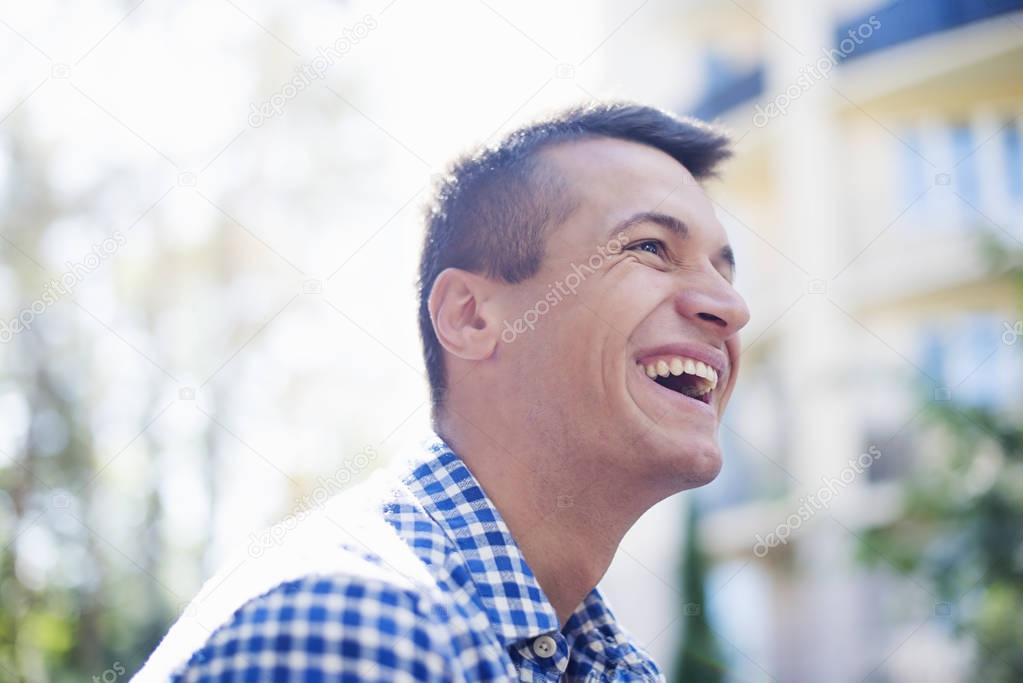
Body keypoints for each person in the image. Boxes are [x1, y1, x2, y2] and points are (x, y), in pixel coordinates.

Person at [135, 101, 750, 682]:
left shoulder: (600, 660)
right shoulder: (356, 623)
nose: (730, 307)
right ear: (470, 316)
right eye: (648, 248)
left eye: (723, 270)